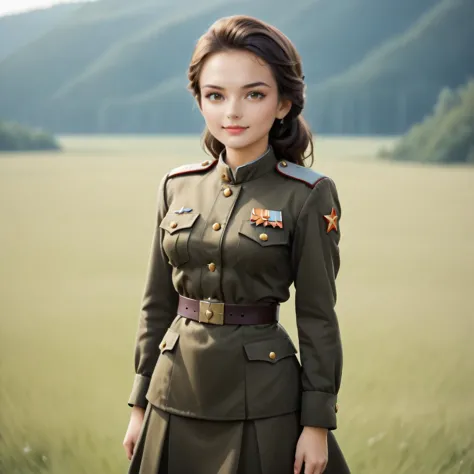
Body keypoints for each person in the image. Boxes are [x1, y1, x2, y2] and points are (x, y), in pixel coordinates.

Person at [123, 14, 350, 474]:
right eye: (216, 95)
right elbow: (156, 304)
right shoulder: (177, 187)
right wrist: (139, 403)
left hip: (264, 400)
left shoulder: (307, 195)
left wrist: (316, 425)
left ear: (283, 104)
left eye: (254, 94)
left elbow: (318, 317)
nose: (232, 112)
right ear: (200, 102)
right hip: (173, 392)